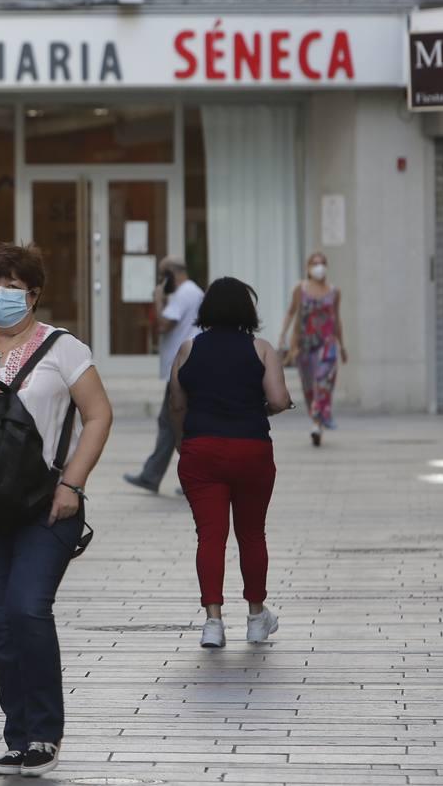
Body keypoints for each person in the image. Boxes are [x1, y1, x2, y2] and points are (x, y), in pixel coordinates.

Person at [0, 243, 113, 778]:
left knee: (27, 608)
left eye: (12, 285)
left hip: (47, 504)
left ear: (33, 293)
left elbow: (98, 416)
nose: (0, 295)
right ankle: (19, 736)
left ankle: (45, 734)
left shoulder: (64, 350)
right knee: (1, 624)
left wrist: (73, 484)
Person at [170, 277, 293, 649]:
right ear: (248, 310)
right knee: (252, 533)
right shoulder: (262, 349)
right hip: (251, 450)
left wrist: (184, 444)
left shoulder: (188, 348)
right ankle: (257, 618)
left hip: (201, 451)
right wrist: (266, 407)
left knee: (211, 536)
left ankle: (213, 622)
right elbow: (279, 397)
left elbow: (177, 404)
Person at [124, 257, 203, 494]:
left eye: (162, 275)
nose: (160, 280)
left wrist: (158, 300)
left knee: (176, 423)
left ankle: (190, 478)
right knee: (171, 423)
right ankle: (154, 475)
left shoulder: (185, 293)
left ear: (171, 274)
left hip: (182, 367)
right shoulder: (191, 292)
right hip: (183, 366)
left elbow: (164, 324)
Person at [277, 251, 348, 447]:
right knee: (309, 388)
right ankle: (317, 419)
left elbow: (337, 320)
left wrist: (342, 346)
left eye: (323, 263)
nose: (319, 267)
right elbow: (291, 312)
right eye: (315, 263)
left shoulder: (334, 292)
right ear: (308, 267)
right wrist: (283, 335)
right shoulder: (301, 289)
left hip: (327, 344)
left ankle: (318, 422)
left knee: (323, 382)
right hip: (305, 345)